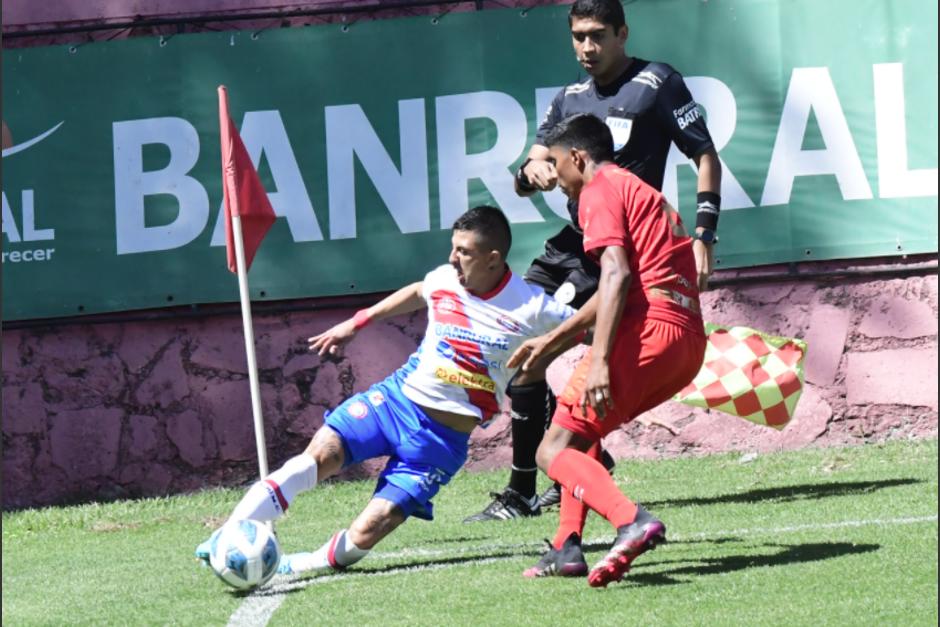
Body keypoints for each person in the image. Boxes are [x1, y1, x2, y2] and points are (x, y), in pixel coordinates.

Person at [196, 206, 575, 576]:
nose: (453, 259)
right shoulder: (444, 278)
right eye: (453, 247)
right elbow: (416, 291)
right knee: (318, 456)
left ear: (493, 259)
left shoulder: (533, 307)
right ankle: (227, 535)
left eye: (464, 252)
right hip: (393, 403)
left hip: (438, 445)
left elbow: (589, 325)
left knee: (371, 527)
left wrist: (605, 357)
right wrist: (357, 322)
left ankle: (299, 566)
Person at [465, 0, 722, 522]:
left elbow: (705, 156)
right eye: (578, 36)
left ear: (622, 33)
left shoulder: (658, 83)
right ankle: (579, 461)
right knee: (517, 335)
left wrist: (704, 235)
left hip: (618, 248)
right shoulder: (570, 99)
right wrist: (528, 174)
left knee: (544, 349)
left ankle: (535, 483)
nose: (587, 47)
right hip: (573, 245)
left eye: (598, 35)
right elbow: (534, 162)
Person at [508, 113, 706, 586]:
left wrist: (597, 360)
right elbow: (619, 287)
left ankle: (630, 519)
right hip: (685, 339)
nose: (557, 181)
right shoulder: (634, 188)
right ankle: (566, 546)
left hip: (649, 332)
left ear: (578, 157)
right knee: (581, 432)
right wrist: (555, 341)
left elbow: (614, 275)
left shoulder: (597, 190)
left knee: (550, 449)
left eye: (556, 166)